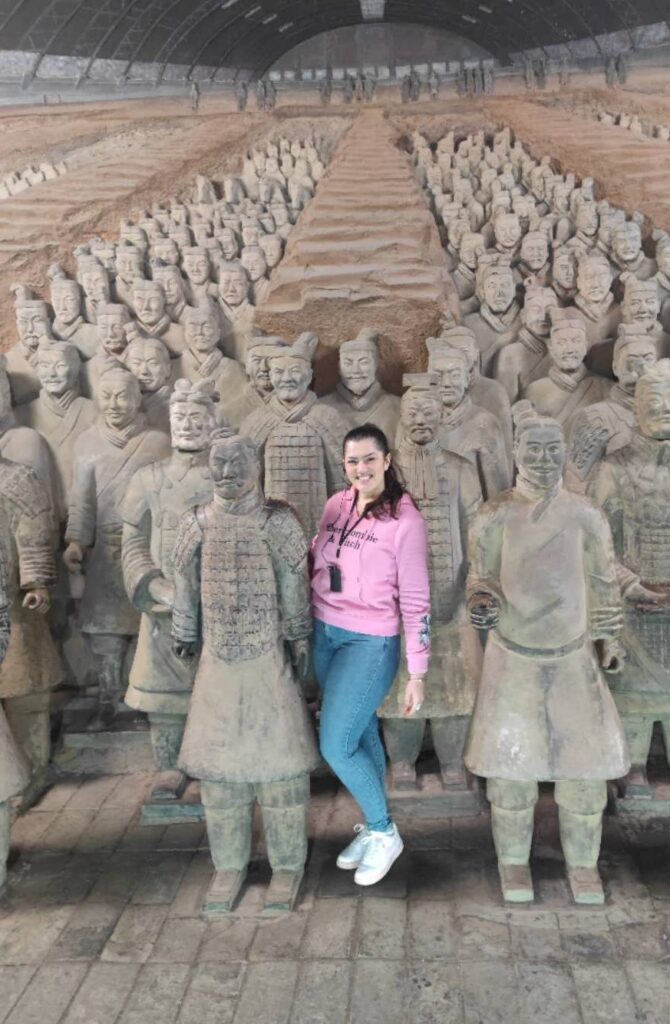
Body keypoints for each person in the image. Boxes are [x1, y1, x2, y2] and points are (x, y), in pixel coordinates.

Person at [311, 424, 431, 886]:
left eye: (368, 459)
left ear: (386, 460)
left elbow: (417, 601)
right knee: (358, 735)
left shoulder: (406, 521)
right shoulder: (336, 505)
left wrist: (416, 670)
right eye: (352, 461)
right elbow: (316, 559)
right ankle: (375, 823)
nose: (360, 468)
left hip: (369, 641)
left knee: (335, 744)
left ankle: (384, 831)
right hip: (326, 634)